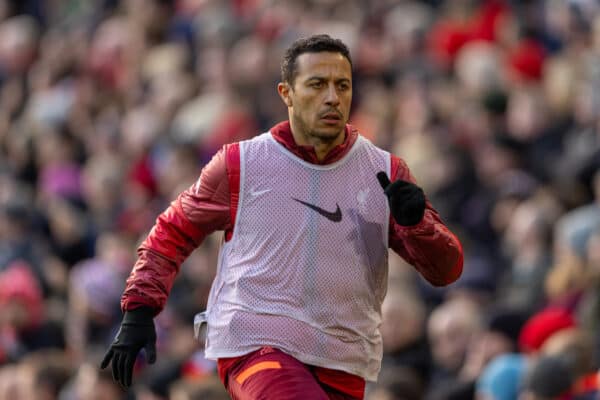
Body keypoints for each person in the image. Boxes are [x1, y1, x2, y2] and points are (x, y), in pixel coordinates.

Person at [100, 34, 464, 399]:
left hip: (343, 361)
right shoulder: (240, 163)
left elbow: (445, 270)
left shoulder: (385, 171)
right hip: (255, 346)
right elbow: (172, 231)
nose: (332, 98)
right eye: (317, 85)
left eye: (343, 85)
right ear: (286, 93)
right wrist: (140, 309)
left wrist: (417, 225)